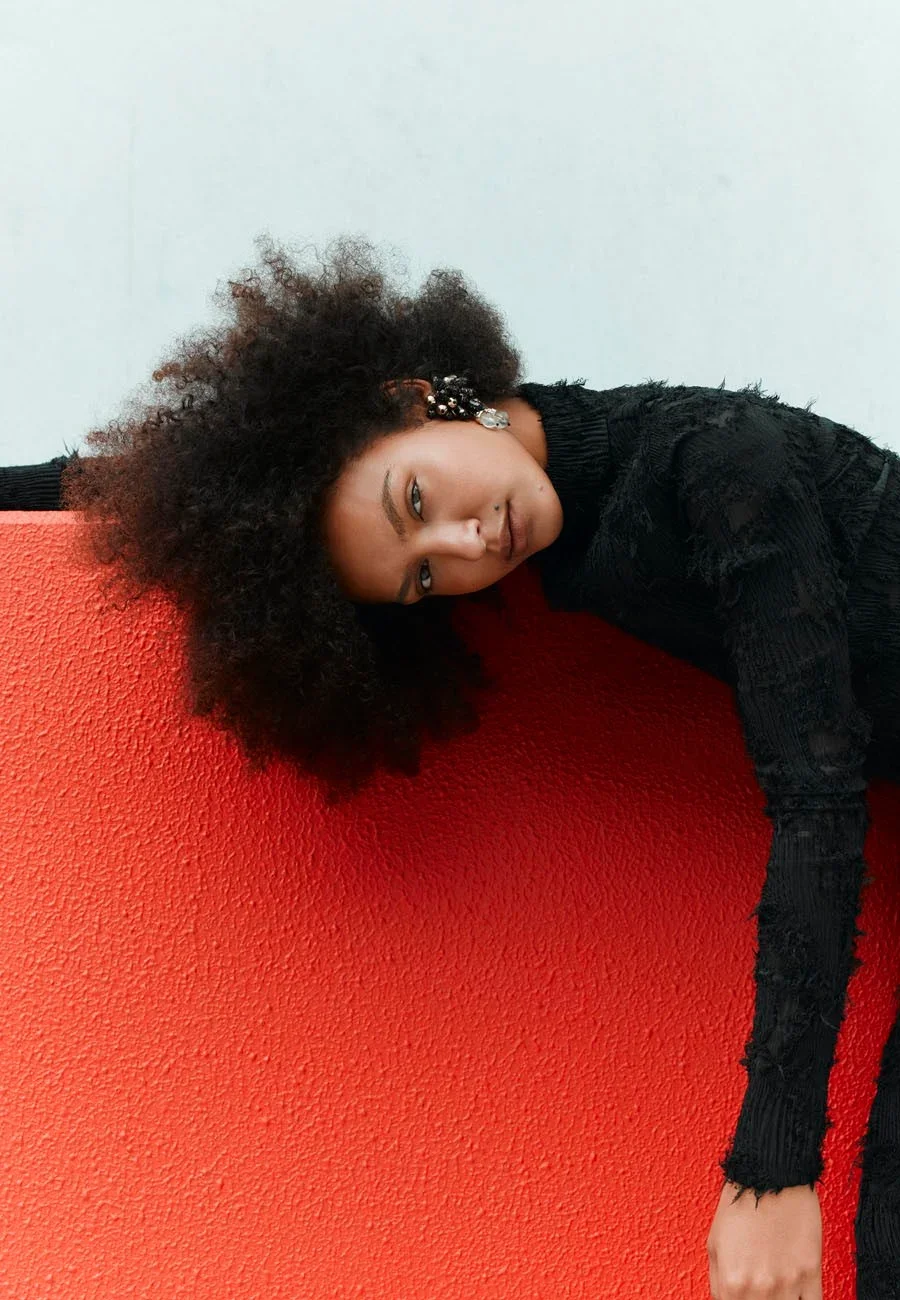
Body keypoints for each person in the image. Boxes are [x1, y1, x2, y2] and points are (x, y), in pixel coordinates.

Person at [4, 235, 900, 1299]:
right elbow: (155, 483)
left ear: (418, 395)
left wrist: (771, 1173)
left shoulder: (719, 464)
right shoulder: (548, 491)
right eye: (425, 578)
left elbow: (816, 794)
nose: (473, 546)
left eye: (417, 501)